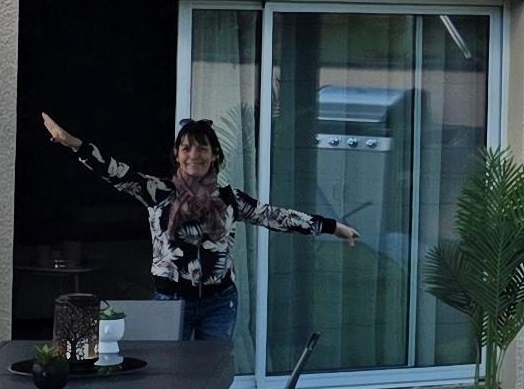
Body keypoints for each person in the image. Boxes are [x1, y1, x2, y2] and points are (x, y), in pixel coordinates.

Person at [38, 113, 351, 342]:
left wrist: (332, 226)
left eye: (202, 148)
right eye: (186, 148)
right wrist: (72, 144)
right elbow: (115, 172)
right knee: (166, 381)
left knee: (210, 383)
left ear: (214, 155)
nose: (194, 155)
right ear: (177, 155)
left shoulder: (230, 199)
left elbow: (274, 216)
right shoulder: (158, 192)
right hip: (170, 301)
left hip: (219, 302)